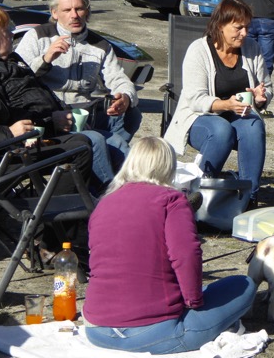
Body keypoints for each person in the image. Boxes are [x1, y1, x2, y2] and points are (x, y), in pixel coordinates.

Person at [83, 137, 256, 354]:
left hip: (96, 329)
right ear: (168, 166)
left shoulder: (104, 203)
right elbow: (185, 255)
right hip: (153, 331)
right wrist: (193, 301)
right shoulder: (171, 200)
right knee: (244, 284)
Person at [0, 6, 114, 195]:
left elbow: (35, 93)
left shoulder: (11, 60)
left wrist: (60, 112)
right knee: (85, 146)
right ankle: (62, 215)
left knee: (116, 124)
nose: (11, 33)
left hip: (20, 138)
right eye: (6, 29)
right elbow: (11, 112)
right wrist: (11, 132)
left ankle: (120, 193)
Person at [15, 0, 140, 170]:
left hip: (84, 112)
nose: (74, 15)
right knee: (106, 141)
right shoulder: (38, 36)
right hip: (49, 112)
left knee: (131, 115)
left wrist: (125, 97)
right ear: (54, 13)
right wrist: (45, 59)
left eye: (79, 9)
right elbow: (16, 78)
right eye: (67, 10)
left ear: (87, 12)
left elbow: (118, 77)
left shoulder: (100, 45)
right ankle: (101, 179)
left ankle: (99, 163)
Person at [164, 0, 272, 207]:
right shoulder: (198, 50)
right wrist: (226, 104)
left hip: (238, 112)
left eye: (247, 27)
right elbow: (196, 99)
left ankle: (248, 197)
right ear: (221, 25)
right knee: (222, 130)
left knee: (253, 125)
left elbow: (266, 86)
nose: (245, 33)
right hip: (199, 116)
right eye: (238, 28)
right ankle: (197, 194)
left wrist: (261, 97)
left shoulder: (252, 49)